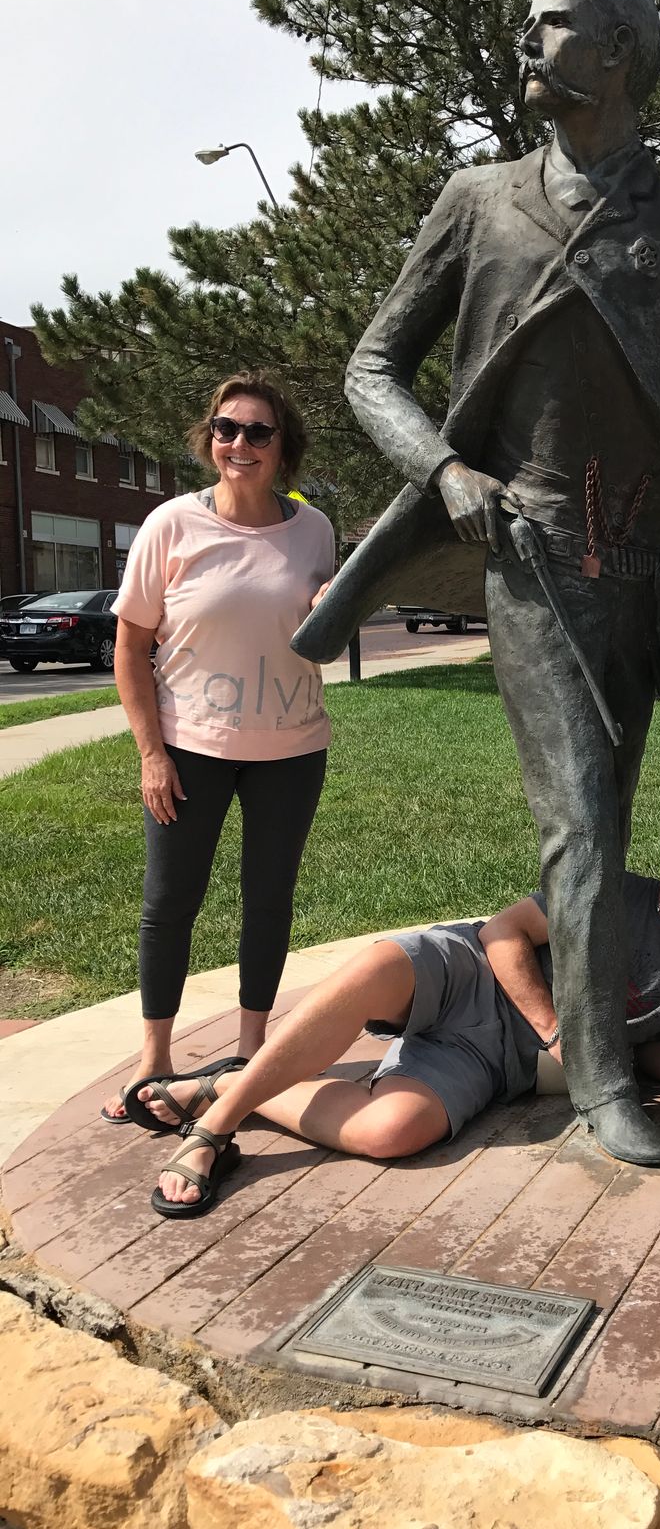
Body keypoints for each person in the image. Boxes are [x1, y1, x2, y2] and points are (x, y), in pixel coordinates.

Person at [289, 0, 660, 1169]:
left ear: (619, 48)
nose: (529, 35)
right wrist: (445, 472)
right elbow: (373, 368)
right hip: (525, 557)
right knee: (579, 821)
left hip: (642, 579)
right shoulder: (478, 202)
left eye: (556, 19)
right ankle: (600, 1081)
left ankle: (567, 1011)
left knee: (606, 823)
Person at [127, 804, 660, 1217]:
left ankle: (228, 1083)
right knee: (375, 968)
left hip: (494, 1058)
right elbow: (502, 932)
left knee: (390, 1131)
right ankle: (216, 1129)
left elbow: (655, 1044)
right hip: (474, 973)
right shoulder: (608, 890)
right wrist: (551, 1027)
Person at [101, 371, 336, 1126]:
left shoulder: (315, 530)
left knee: (268, 901)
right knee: (170, 903)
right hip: (189, 750)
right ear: (209, 440)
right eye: (226, 429)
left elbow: (322, 644)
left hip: (292, 750)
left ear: (283, 446)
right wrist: (151, 754)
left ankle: (250, 1054)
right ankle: (154, 1060)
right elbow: (130, 648)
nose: (240, 443)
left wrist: (329, 610)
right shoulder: (170, 524)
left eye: (258, 431)